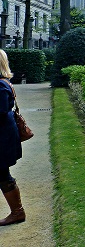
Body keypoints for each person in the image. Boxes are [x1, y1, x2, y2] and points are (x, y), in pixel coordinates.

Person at [0, 49, 25, 226]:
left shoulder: (1, 86)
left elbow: (0, 112)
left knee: (2, 174)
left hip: (3, 138)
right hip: (4, 135)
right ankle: (17, 212)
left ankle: (18, 212)